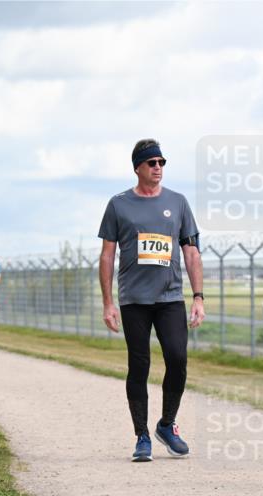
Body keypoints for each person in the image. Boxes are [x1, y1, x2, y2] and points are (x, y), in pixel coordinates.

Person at [98, 138, 205, 462]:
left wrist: (198, 297)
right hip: (134, 300)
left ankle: (167, 424)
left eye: (162, 163)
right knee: (139, 364)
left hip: (170, 297)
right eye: (152, 163)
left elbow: (191, 251)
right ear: (138, 168)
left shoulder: (179, 202)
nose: (158, 168)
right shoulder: (118, 204)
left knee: (177, 359)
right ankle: (141, 436)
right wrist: (107, 302)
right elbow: (106, 255)